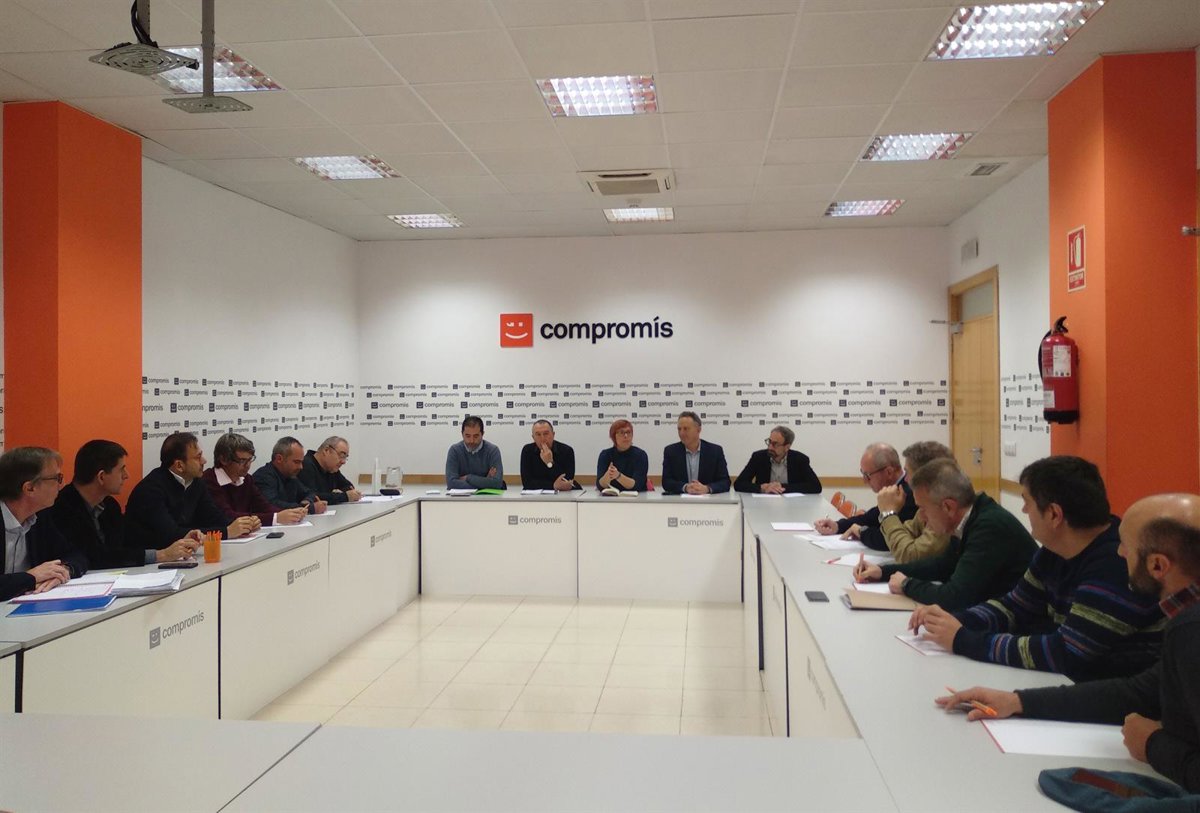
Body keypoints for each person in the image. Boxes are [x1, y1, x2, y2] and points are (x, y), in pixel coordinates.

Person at [938, 494, 1200, 793]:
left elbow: (1069, 653)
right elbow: (1137, 692)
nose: (1119, 553)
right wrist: (1018, 701)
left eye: (1126, 546)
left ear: (1157, 565)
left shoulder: (1190, 629)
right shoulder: (1185, 622)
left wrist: (1154, 746)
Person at [911, 456, 1163, 681]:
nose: (1023, 510)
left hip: (1114, 702)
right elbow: (1014, 606)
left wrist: (963, 639)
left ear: (1054, 514)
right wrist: (956, 620)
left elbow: (1065, 652)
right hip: (1072, 685)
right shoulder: (1053, 551)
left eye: (1027, 502)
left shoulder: (1115, 563)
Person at [854, 457, 1036, 611]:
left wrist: (906, 584)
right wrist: (884, 571)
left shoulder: (989, 527)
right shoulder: (969, 518)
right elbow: (942, 566)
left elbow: (955, 597)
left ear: (948, 507)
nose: (921, 517)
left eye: (923, 509)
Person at [52, 439, 199, 568]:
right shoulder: (61, 509)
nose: (126, 475)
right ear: (101, 477)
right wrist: (162, 555)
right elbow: (94, 556)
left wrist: (180, 539)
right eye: (121, 469)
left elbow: (128, 544)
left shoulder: (110, 506)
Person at [126, 432, 256, 550]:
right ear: (179, 465)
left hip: (185, 555)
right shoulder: (150, 490)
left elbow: (214, 518)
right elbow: (171, 534)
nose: (204, 461)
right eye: (198, 457)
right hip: (149, 561)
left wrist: (244, 525)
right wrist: (227, 532)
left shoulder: (196, 482)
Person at [0, 447, 87, 600]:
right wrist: (31, 577)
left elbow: (76, 555)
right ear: (30, 488)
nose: (62, 485)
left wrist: (62, 570)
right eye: (57, 478)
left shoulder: (39, 516)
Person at [814, 442, 916, 551]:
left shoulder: (909, 494)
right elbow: (870, 518)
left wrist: (861, 531)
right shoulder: (894, 490)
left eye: (867, 475)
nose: (864, 481)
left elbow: (886, 540)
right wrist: (837, 526)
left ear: (889, 472)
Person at [203, 434, 307, 527]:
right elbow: (228, 516)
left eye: (250, 459)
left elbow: (264, 506)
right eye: (242, 461)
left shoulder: (246, 479)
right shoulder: (209, 481)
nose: (248, 465)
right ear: (223, 460)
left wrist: (291, 514)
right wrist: (276, 518)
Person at [875, 441, 953, 563]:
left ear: (924, 477)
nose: (905, 479)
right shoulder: (927, 504)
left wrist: (888, 515)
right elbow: (903, 535)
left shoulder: (944, 508)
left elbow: (909, 556)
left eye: (907, 472)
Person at [734, 425, 821, 495]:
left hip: (792, 506)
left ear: (787, 447)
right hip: (763, 504)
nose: (770, 447)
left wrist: (782, 487)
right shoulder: (758, 457)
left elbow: (816, 486)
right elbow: (739, 484)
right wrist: (761, 488)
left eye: (775, 444)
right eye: (769, 442)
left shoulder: (799, 459)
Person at [661, 411, 730, 495]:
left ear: (698, 430)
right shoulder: (671, 451)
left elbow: (725, 482)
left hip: (708, 501)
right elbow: (666, 482)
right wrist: (685, 487)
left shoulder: (715, 451)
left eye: (686, 429)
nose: (681, 433)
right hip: (680, 501)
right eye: (679, 429)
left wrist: (707, 488)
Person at [253, 437, 327, 514]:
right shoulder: (263, 476)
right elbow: (271, 505)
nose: (301, 467)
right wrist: (309, 508)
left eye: (301, 462)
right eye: (296, 462)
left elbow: (310, 492)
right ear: (279, 459)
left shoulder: (290, 475)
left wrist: (307, 501)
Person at [445, 415, 505, 490]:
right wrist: (486, 482)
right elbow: (451, 484)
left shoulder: (493, 451)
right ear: (462, 434)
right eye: (468, 436)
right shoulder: (454, 450)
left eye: (476, 436)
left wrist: (468, 478)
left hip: (487, 497)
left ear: (482, 434)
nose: (471, 441)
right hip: (461, 497)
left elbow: (497, 483)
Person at [519, 421, 581, 491]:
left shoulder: (566, 451)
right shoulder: (527, 451)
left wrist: (549, 463)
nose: (542, 438)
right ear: (533, 437)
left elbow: (566, 481)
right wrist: (553, 485)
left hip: (563, 493)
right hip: (535, 495)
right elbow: (527, 483)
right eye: (538, 434)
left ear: (553, 434)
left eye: (546, 434)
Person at [299, 436, 362, 504]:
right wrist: (344, 496)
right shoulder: (305, 465)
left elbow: (349, 487)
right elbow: (311, 496)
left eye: (345, 457)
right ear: (326, 450)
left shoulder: (331, 468)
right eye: (341, 455)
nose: (343, 462)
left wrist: (339, 495)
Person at [596, 419, 649, 492]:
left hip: (637, 497)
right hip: (611, 497)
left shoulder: (641, 455)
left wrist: (618, 476)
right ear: (614, 436)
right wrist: (608, 475)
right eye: (622, 432)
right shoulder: (605, 455)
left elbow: (637, 485)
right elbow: (600, 486)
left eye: (628, 432)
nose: (626, 436)